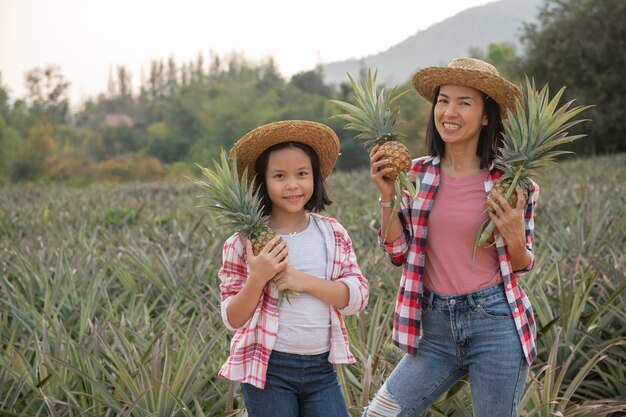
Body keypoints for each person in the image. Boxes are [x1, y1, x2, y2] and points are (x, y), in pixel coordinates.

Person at [363, 58, 539, 417]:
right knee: (380, 414)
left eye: (464, 102)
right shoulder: (414, 174)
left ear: (486, 116)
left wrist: (514, 235)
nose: (449, 111)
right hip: (435, 329)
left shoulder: (512, 183)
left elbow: (522, 265)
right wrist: (387, 196)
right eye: (443, 100)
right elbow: (398, 253)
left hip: (495, 324)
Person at [218, 120, 370, 417]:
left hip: (322, 369)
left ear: (315, 178)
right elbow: (233, 319)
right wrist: (258, 277)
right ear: (262, 182)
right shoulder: (243, 243)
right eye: (279, 176)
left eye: (302, 174)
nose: (292, 184)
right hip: (267, 370)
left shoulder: (332, 233)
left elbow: (357, 297)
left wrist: (304, 281)